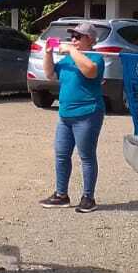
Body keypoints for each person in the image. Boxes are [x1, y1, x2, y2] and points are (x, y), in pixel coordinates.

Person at [38, 21, 105, 213]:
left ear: (89, 39)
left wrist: (71, 50)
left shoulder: (96, 58)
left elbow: (90, 71)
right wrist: (48, 53)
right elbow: (50, 74)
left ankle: (88, 197)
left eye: (77, 36)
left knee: (86, 156)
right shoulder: (68, 60)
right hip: (65, 115)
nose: (73, 39)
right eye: (72, 36)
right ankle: (61, 195)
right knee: (61, 155)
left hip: (87, 114)